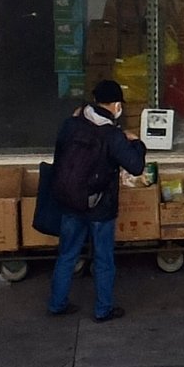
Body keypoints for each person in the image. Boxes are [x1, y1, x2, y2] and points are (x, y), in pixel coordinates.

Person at [45, 80, 148, 322]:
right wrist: (137, 144)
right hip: (100, 205)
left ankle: (57, 303)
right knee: (103, 258)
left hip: (70, 199)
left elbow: (59, 156)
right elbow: (135, 166)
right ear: (115, 105)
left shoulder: (71, 124)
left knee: (67, 254)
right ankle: (103, 309)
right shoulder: (112, 134)